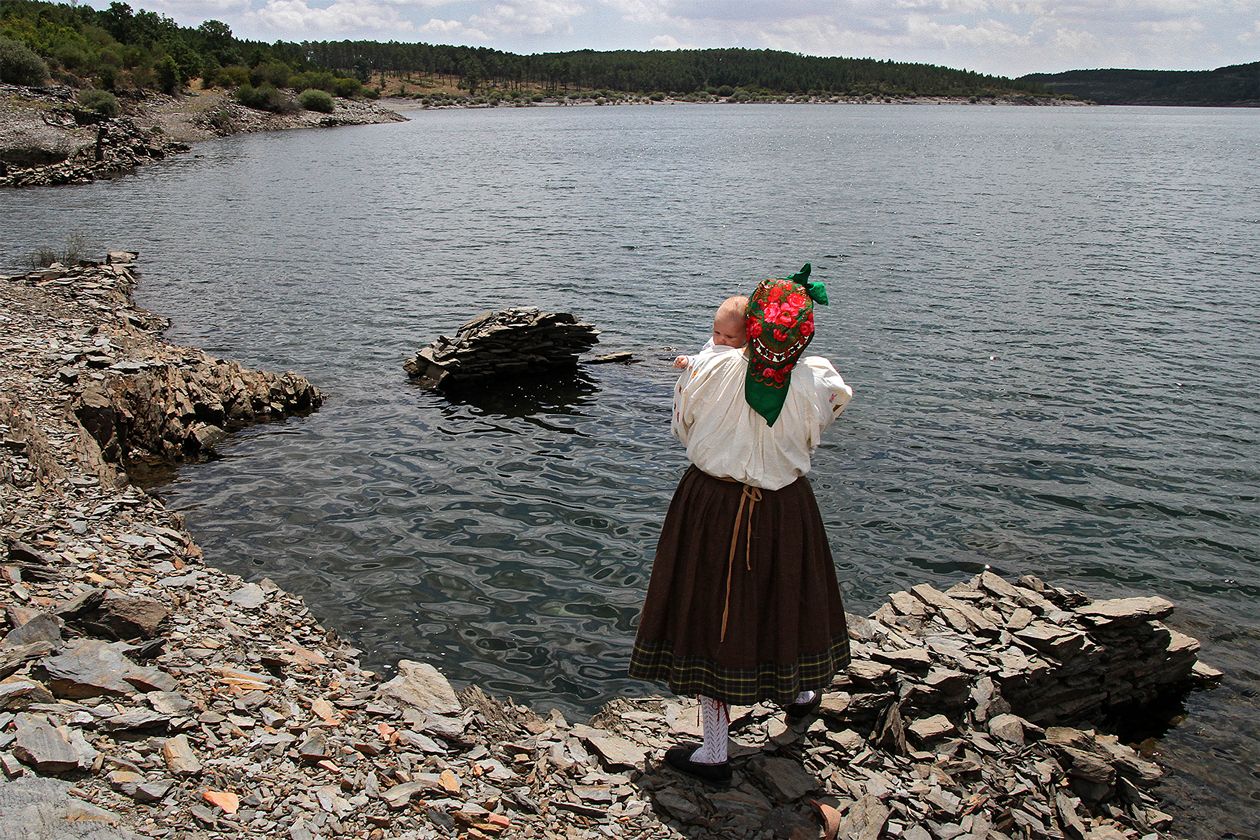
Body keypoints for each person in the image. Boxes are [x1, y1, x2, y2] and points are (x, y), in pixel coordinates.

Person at [629, 263, 853, 785]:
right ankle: (800, 695)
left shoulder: (710, 371)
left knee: (715, 614)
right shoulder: (819, 379)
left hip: (714, 502)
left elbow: (682, 428)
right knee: (787, 594)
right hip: (786, 504)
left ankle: (714, 752)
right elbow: (827, 418)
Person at [673, 295, 750, 369]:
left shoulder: (744, 353)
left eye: (729, 337)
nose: (721, 339)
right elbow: (702, 358)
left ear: (746, 337)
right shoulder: (712, 346)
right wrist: (688, 361)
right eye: (717, 333)